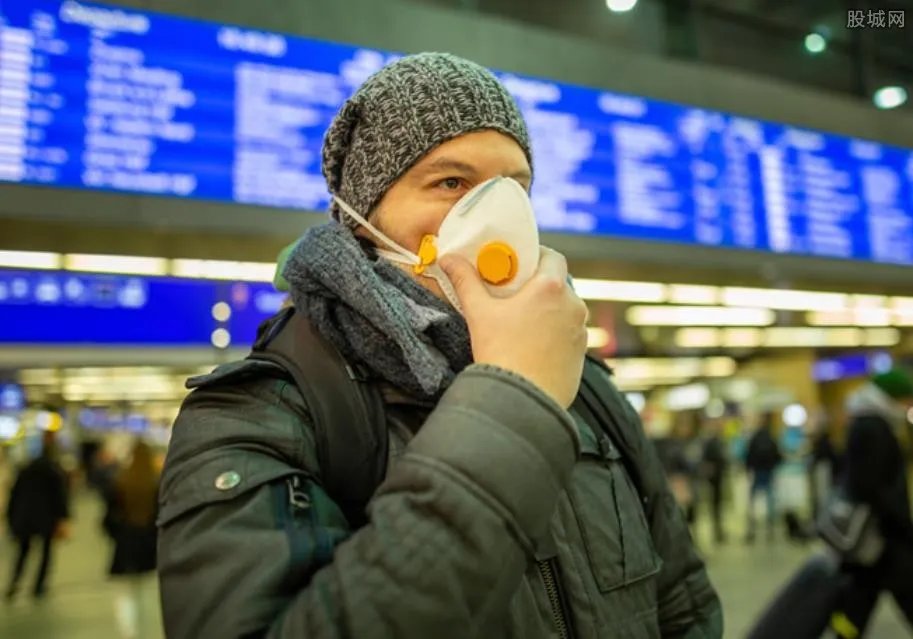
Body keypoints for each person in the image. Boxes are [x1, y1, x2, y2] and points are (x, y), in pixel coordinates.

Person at [157, 52, 722, 638]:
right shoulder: (260, 417)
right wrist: (515, 398)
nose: (498, 215)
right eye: (451, 182)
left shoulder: (586, 385)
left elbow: (682, 605)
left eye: (515, 188)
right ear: (361, 217)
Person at [829, 369, 913, 637]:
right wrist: (901, 522)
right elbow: (872, 485)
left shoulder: (869, 423)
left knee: (860, 599)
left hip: (873, 537)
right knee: (905, 589)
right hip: (880, 533)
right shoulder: (873, 428)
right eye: (907, 400)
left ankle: (844, 634)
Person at [5, 430, 70, 601]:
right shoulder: (53, 472)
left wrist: (11, 518)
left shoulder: (25, 471)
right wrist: (63, 518)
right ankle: (39, 586)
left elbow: (15, 495)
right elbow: (59, 497)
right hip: (46, 518)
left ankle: (14, 583)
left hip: (25, 517)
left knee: (23, 552)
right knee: (46, 553)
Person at [105, 440, 160, 639]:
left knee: (125, 593)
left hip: (125, 543)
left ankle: (129, 633)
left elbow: (108, 517)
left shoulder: (120, 481)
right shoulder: (157, 484)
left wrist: (116, 533)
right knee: (148, 591)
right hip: (148, 544)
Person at [745, 412, 783, 544]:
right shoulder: (771, 437)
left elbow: (748, 455)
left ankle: (751, 528)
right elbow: (778, 456)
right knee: (769, 501)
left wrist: (749, 469)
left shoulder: (754, 437)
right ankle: (770, 528)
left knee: (753, 501)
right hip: (768, 472)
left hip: (757, 472)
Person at [701, 418, 729, 544]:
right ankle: (717, 530)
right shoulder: (714, 443)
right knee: (715, 504)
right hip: (714, 478)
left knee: (717, 505)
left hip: (716, 477)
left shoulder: (716, 442)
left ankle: (718, 529)